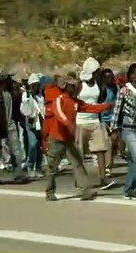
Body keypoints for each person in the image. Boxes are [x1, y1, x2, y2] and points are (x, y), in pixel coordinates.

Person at [44, 73, 110, 201]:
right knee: (52, 167)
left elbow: (89, 107)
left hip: (68, 139)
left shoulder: (75, 101)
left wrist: (106, 106)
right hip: (56, 138)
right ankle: (50, 192)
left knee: (78, 163)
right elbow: (59, 114)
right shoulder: (59, 99)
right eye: (72, 85)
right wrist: (69, 124)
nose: (75, 87)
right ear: (65, 86)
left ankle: (85, 190)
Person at [112, 63, 136, 201]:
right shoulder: (124, 90)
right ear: (131, 75)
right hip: (129, 129)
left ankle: (128, 189)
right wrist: (114, 129)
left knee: (135, 162)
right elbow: (117, 110)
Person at [76, 57, 115, 189]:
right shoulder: (79, 85)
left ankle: (103, 178)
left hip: (95, 121)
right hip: (80, 122)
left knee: (101, 150)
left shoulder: (99, 85)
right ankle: (79, 180)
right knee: (79, 153)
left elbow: (100, 99)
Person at [19, 73, 45, 178]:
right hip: (31, 123)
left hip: (41, 123)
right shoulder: (27, 96)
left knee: (40, 146)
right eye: (34, 85)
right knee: (33, 145)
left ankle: (38, 167)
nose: (36, 87)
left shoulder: (41, 96)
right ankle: (30, 166)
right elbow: (26, 111)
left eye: (37, 85)